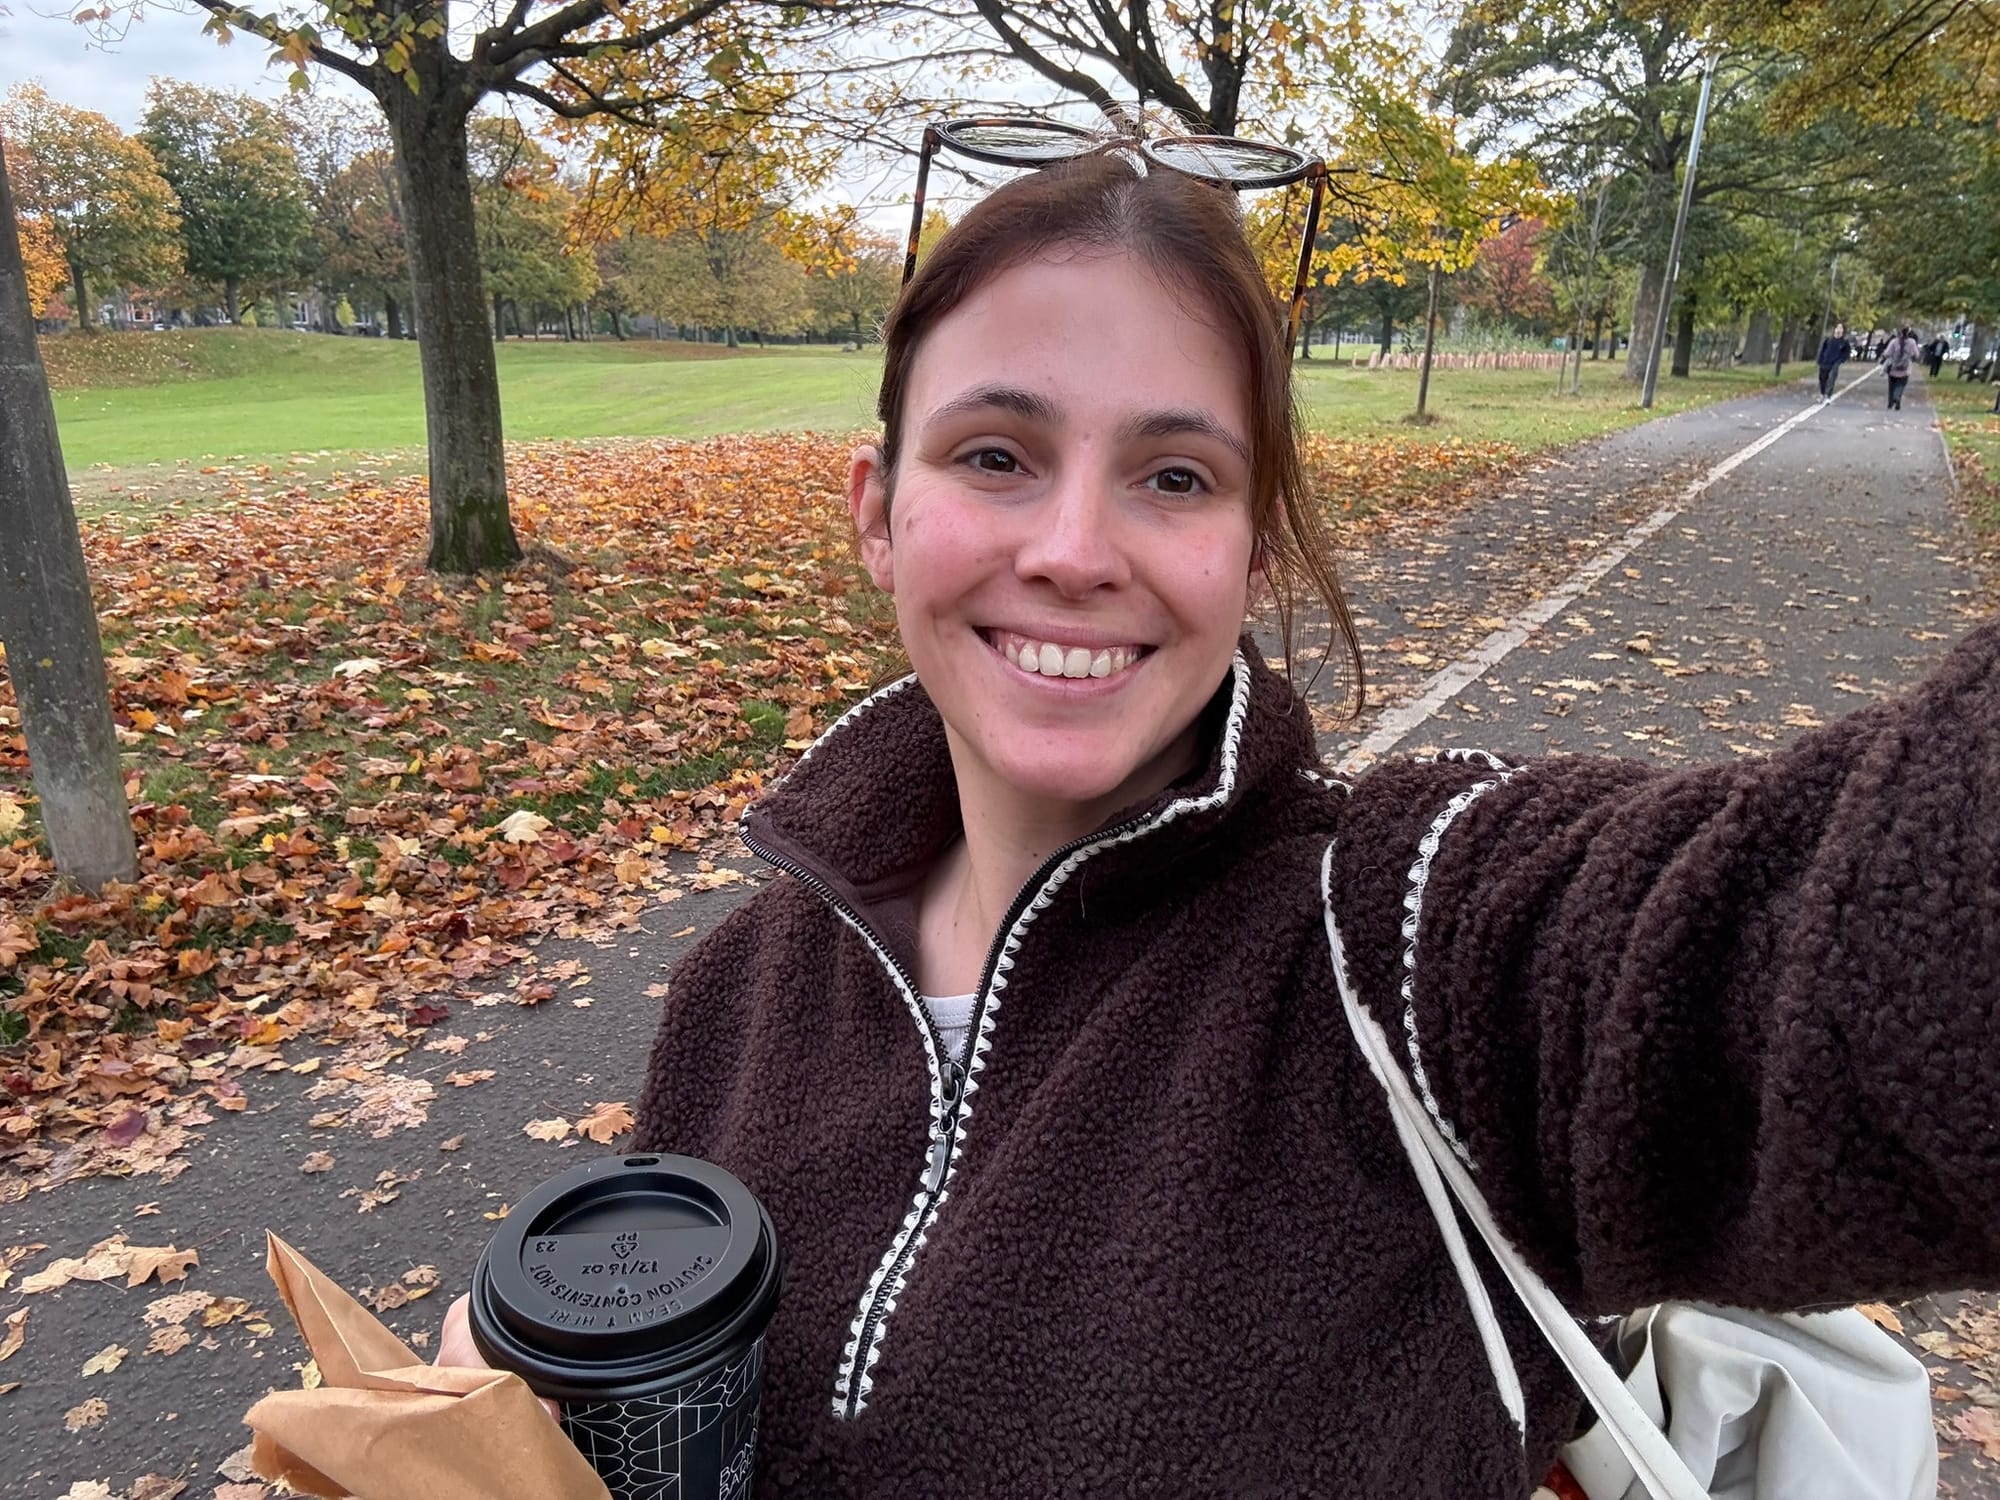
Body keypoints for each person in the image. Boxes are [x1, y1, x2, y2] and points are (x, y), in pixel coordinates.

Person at [434, 139, 2000, 1496]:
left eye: (1174, 477)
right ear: (877, 511)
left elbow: (1844, 953)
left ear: (1255, 553)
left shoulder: (1406, 950)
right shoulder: (740, 993)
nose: (1071, 546)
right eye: (997, 455)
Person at [1882, 325, 1923, 409]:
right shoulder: (1912, 342)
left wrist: (1884, 356)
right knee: (1901, 385)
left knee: (1892, 386)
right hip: (1905, 368)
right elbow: (1916, 354)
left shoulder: (1894, 341)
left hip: (1893, 368)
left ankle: (1890, 403)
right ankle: (1897, 399)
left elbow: (1887, 353)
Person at [1814, 320, 1853, 401]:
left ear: (1843, 330)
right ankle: (1822, 393)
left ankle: (1828, 395)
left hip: (1835, 362)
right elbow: (1823, 350)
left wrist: (1841, 360)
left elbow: (1846, 353)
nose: (1839, 330)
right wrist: (1820, 359)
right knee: (1822, 378)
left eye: (1841, 328)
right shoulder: (1829, 340)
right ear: (1835, 329)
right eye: (1837, 328)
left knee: (1831, 378)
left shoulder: (1844, 342)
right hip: (1825, 361)